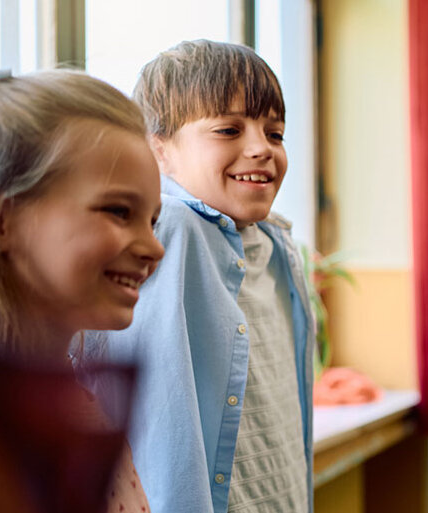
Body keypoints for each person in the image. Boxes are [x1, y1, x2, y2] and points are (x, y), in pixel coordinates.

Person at [78, 40, 316, 513]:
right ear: (157, 150)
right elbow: (158, 427)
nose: (260, 149)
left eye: (276, 134)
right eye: (228, 130)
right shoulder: (170, 227)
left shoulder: (274, 243)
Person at [0, 69, 164, 512]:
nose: (155, 248)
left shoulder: (77, 408)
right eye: (118, 211)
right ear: (0, 220)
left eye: (153, 220)